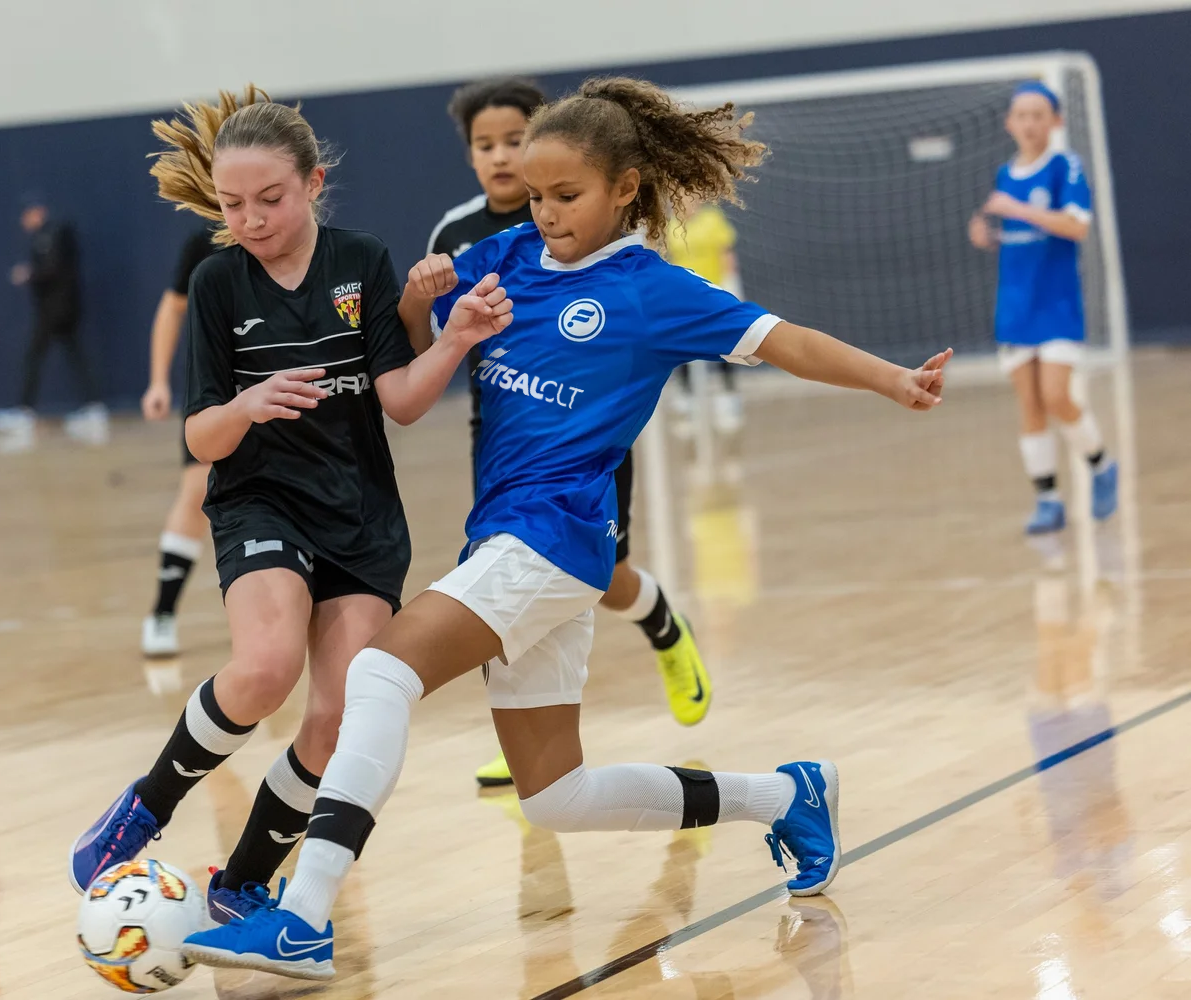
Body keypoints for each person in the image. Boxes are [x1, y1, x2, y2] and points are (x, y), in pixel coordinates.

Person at [180, 77, 952, 981]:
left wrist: (893, 379)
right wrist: (426, 302)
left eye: (566, 195)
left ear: (625, 187)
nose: (544, 212)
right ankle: (788, 795)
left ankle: (303, 915)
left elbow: (786, 340)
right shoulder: (505, 255)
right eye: (536, 196)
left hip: (553, 539)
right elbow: (397, 343)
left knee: (380, 672)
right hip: (510, 542)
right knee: (555, 796)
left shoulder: (652, 291)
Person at [68, 88, 511, 922]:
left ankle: (240, 883)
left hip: (360, 513)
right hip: (261, 501)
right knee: (266, 668)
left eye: (269, 198)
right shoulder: (215, 284)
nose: (251, 218)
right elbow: (203, 439)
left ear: (313, 182)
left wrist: (453, 339)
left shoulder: (363, 262)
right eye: (233, 204)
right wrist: (247, 404)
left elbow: (403, 403)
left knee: (340, 716)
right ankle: (145, 809)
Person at [409, 77, 713, 791]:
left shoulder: (603, 241)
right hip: (504, 427)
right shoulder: (457, 236)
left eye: (514, 140)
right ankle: (518, 737)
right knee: (496, 566)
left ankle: (662, 622)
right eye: (485, 146)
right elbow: (421, 331)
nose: (502, 157)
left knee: (598, 576)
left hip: (587, 433)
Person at [969, 81, 1117, 536]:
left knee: (1056, 396)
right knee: (1029, 403)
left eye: (1040, 115)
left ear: (1056, 122)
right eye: (1023, 115)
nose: (1030, 123)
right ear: (1010, 123)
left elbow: (1074, 227)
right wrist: (988, 235)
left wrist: (1018, 208)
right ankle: (1047, 500)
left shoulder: (1064, 166)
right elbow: (1014, 234)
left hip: (1056, 303)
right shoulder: (1005, 174)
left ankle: (1100, 464)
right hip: (1014, 304)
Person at [140, 221, 217, 657]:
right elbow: (172, 308)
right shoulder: (204, 239)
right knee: (197, 490)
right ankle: (163, 612)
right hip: (214, 389)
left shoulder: (300, 235)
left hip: (280, 384)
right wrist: (158, 382)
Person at [0, 197, 107, 443]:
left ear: (38, 212)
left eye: (28, 215)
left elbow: (53, 269)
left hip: (57, 309)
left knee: (36, 355)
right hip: (61, 307)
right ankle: (93, 406)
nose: (24, 221)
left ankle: (25, 411)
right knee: (73, 354)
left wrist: (29, 273)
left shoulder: (52, 235)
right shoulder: (48, 236)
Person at [666, 200, 745, 433]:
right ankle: (687, 398)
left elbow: (726, 254)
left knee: (725, 346)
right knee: (682, 347)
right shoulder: (671, 226)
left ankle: (728, 397)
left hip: (714, 293)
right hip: (684, 298)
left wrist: (729, 286)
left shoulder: (712, 220)